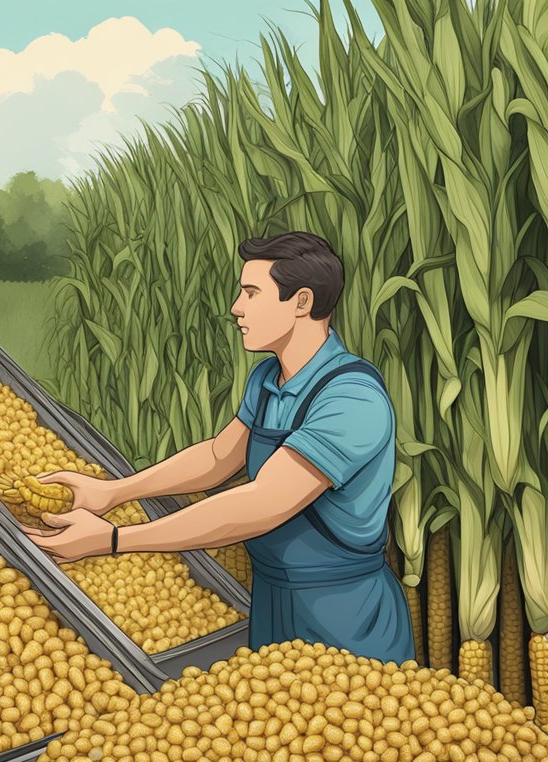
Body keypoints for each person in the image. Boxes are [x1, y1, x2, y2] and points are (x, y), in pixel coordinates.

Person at [22, 231, 415, 664]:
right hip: (272, 600)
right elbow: (216, 459)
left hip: (344, 615)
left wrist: (115, 539)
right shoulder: (268, 380)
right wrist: (115, 491)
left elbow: (263, 504)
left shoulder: (351, 397)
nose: (236, 308)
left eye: (251, 292)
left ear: (302, 302)